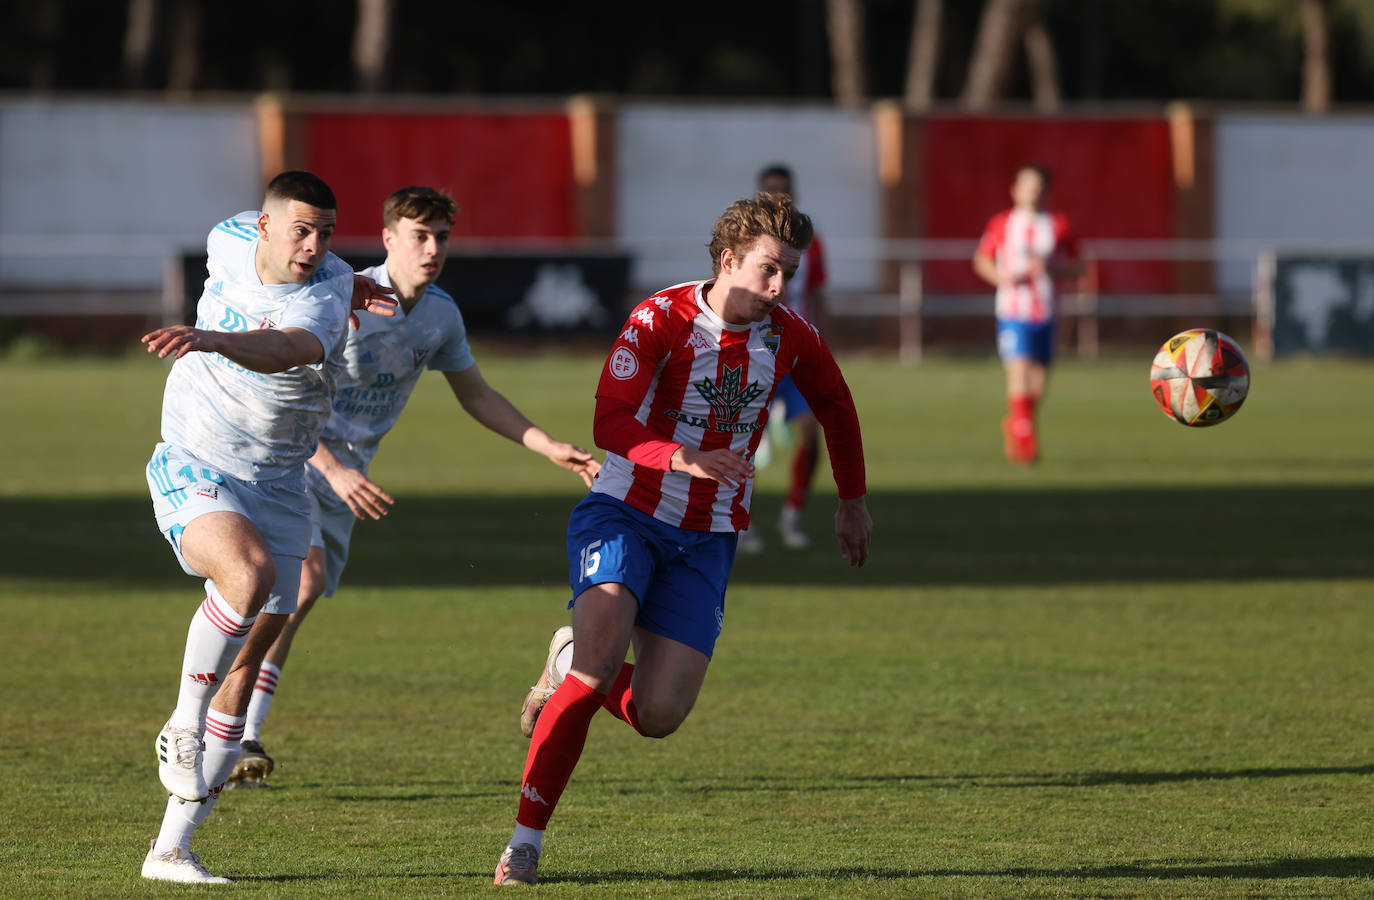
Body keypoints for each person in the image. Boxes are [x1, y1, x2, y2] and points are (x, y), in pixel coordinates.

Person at [493, 191, 872, 885]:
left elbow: (837, 407)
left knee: (660, 715)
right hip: (625, 513)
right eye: (767, 269)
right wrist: (680, 457)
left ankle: (566, 652)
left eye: (789, 271)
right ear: (729, 260)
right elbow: (610, 421)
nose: (780, 287)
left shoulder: (788, 335)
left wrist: (852, 499)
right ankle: (525, 843)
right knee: (597, 671)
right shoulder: (660, 318)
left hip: (707, 536)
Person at [225, 186, 601, 787]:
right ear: (388, 239)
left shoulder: (440, 315)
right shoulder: (339, 298)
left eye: (442, 237)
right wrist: (336, 470)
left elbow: (476, 393)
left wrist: (546, 443)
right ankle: (237, 728)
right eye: (419, 235)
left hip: (347, 481)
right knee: (301, 585)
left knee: (286, 599)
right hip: (292, 460)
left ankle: (228, 717)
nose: (432, 249)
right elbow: (283, 395)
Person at [139, 170, 396, 884]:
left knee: (246, 668)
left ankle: (170, 851)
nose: (313, 246)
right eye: (300, 230)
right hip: (195, 458)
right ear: (263, 224)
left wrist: (212, 339)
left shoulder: (321, 296)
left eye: (324, 234)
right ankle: (181, 723)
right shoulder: (226, 239)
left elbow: (283, 349)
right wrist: (211, 341)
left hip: (280, 483)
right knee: (247, 575)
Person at [737, 164, 830, 552]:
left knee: (811, 437)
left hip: (796, 356)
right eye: (771, 193)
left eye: (785, 192)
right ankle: (741, 522)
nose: (779, 199)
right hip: (755, 352)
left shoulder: (811, 245)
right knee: (740, 443)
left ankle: (792, 514)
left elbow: (819, 295)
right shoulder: (744, 244)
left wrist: (823, 346)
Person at [972, 164, 1080, 464]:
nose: (1032, 191)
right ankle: (1026, 442)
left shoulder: (1058, 225)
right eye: (1026, 184)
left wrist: (1055, 270)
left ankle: (1018, 422)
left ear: (1045, 190)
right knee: (1019, 372)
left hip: (1047, 310)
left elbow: (1079, 265)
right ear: (1015, 189)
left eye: (1038, 186)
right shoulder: (1002, 224)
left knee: (1039, 382)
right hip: (1012, 311)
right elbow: (981, 260)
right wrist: (1001, 277)